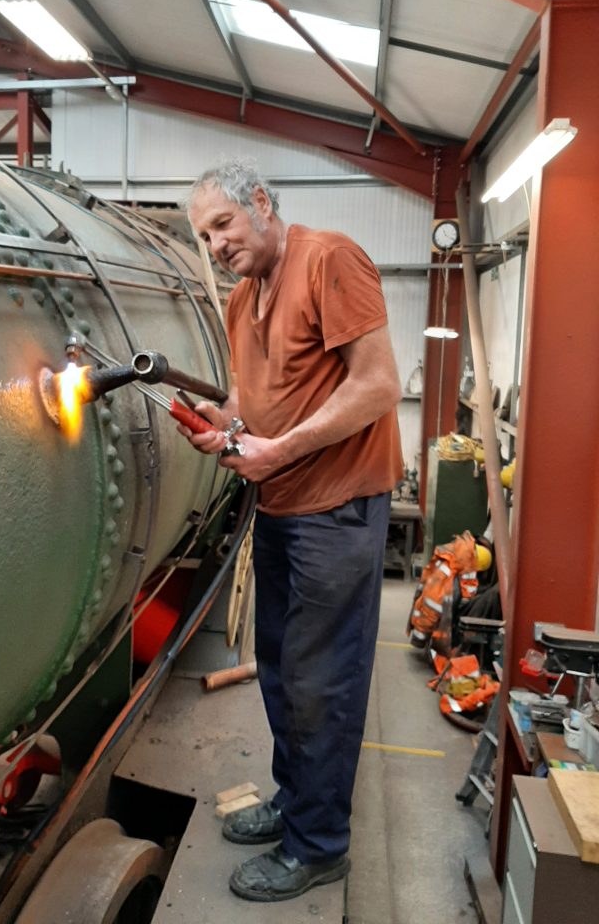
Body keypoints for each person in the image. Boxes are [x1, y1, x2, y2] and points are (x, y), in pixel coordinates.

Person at [181, 157, 403, 903]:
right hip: (280, 506)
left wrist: (280, 450)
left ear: (263, 204)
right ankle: (296, 801)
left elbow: (377, 385)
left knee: (321, 680)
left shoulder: (328, 259)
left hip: (336, 509)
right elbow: (251, 397)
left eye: (223, 224)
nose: (215, 245)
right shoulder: (243, 299)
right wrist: (227, 427)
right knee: (279, 668)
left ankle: (319, 845)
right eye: (204, 236)